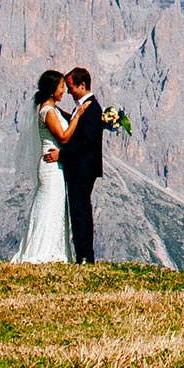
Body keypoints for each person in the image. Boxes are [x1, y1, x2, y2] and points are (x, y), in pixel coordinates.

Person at [10, 68, 75, 264]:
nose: (63, 91)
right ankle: (40, 250)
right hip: (51, 166)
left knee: (55, 205)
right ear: (52, 89)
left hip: (56, 166)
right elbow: (63, 137)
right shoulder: (47, 111)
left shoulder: (52, 110)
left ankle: (53, 248)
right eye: (61, 87)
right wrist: (79, 115)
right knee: (49, 204)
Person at [58, 66, 104, 264]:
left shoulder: (92, 108)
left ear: (82, 85)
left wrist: (61, 154)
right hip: (80, 167)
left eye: (71, 88)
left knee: (81, 211)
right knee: (78, 210)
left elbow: (86, 142)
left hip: (83, 168)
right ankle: (83, 254)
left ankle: (85, 255)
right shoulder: (83, 106)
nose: (68, 92)